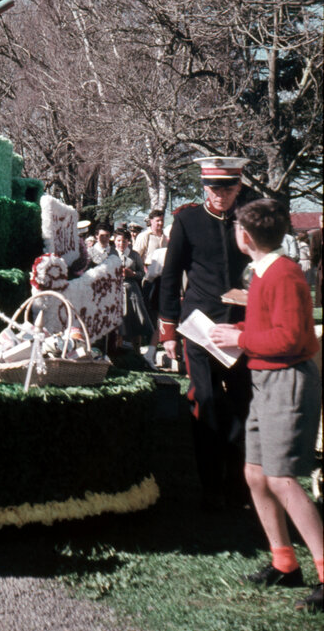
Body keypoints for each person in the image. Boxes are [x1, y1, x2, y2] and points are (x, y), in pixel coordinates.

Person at [209, 199, 322, 614]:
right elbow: (269, 327)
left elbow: (290, 338)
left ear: (245, 236)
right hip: (265, 379)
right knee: (256, 474)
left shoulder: (283, 274)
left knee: (282, 479)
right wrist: (237, 329)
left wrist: (239, 339)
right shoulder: (264, 271)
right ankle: (284, 562)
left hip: (287, 380)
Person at [159, 156, 252, 510]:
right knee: (206, 405)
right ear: (204, 187)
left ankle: (238, 486)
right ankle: (211, 488)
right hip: (200, 330)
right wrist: (168, 331)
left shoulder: (248, 221)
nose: (220, 195)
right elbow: (171, 277)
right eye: (214, 188)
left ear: (238, 187)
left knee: (244, 406)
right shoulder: (187, 221)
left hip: (242, 329)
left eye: (228, 188)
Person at [114, 228, 153, 349]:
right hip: (115, 290)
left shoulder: (134, 255)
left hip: (132, 291)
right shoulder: (111, 254)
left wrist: (133, 274)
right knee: (119, 320)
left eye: (124, 241)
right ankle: (118, 348)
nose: (121, 244)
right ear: (114, 241)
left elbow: (142, 273)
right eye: (119, 241)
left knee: (136, 319)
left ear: (128, 242)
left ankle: (137, 348)